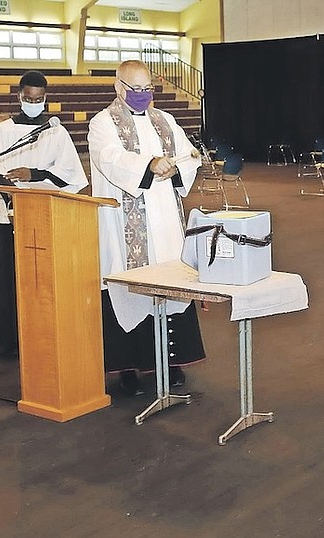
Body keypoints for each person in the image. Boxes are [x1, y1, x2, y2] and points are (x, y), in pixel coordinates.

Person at [88, 60, 205, 397]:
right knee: (127, 286)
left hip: (165, 219)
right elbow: (109, 158)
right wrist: (148, 166)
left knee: (169, 285)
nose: (141, 95)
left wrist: (177, 170)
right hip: (125, 224)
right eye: (134, 89)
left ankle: (173, 360)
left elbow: (190, 155)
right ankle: (128, 369)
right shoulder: (102, 123)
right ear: (118, 87)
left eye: (147, 88)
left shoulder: (164, 121)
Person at [0, 70, 87, 355]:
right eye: (28, 97)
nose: (33, 102)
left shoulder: (55, 131)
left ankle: (42, 333)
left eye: (39, 98)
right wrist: (6, 187)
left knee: (39, 279)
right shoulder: (3, 130)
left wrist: (33, 173)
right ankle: (8, 338)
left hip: (44, 215)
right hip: (6, 215)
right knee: (7, 276)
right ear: (19, 96)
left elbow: (71, 173)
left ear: (45, 98)